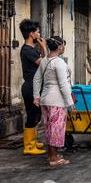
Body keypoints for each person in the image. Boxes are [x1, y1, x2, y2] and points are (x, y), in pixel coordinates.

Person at [33, 36, 74, 167]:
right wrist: (70, 102)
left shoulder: (45, 60)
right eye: (63, 45)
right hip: (57, 100)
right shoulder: (59, 63)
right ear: (60, 47)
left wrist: (36, 96)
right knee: (57, 129)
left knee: (49, 128)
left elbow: (36, 79)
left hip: (45, 99)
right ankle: (54, 158)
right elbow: (63, 84)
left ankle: (52, 155)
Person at [19, 19, 48, 156]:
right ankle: (29, 146)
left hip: (34, 85)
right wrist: (44, 47)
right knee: (32, 115)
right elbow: (45, 64)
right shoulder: (27, 50)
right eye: (37, 31)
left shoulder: (31, 50)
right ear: (31, 34)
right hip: (31, 87)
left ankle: (33, 141)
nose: (39, 34)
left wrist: (42, 48)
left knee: (37, 115)